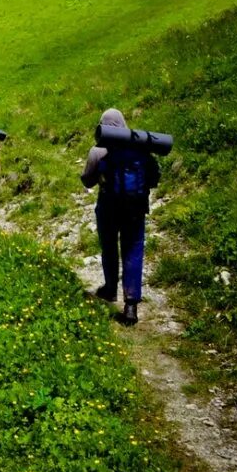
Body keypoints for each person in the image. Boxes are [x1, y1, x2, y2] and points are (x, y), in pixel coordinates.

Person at [81, 108, 162, 326]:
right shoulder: (141, 147)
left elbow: (87, 181)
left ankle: (110, 289)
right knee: (133, 250)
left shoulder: (98, 150)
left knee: (109, 248)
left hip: (108, 207)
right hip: (135, 208)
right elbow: (154, 178)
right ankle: (131, 305)